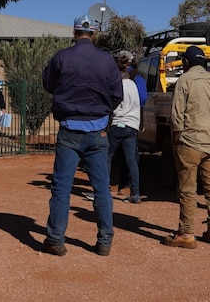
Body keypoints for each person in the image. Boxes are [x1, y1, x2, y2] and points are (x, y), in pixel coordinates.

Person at [41, 14, 123, 257]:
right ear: (93, 33)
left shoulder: (62, 57)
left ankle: (56, 239)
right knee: (101, 189)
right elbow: (116, 94)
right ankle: (105, 241)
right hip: (98, 132)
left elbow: (48, 84)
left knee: (62, 188)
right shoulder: (107, 60)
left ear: (74, 32)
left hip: (69, 131)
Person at [162, 45, 210, 248]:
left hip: (189, 141)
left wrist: (176, 139)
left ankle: (186, 233)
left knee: (188, 189)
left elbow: (176, 115)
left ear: (186, 62)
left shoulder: (185, 80)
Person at [108, 54, 142, 204]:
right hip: (132, 126)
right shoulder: (133, 84)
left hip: (118, 124)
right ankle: (135, 193)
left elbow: (114, 104)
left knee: (106, 158)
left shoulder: (117, 84)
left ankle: (100, 190)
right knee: (131, 161)